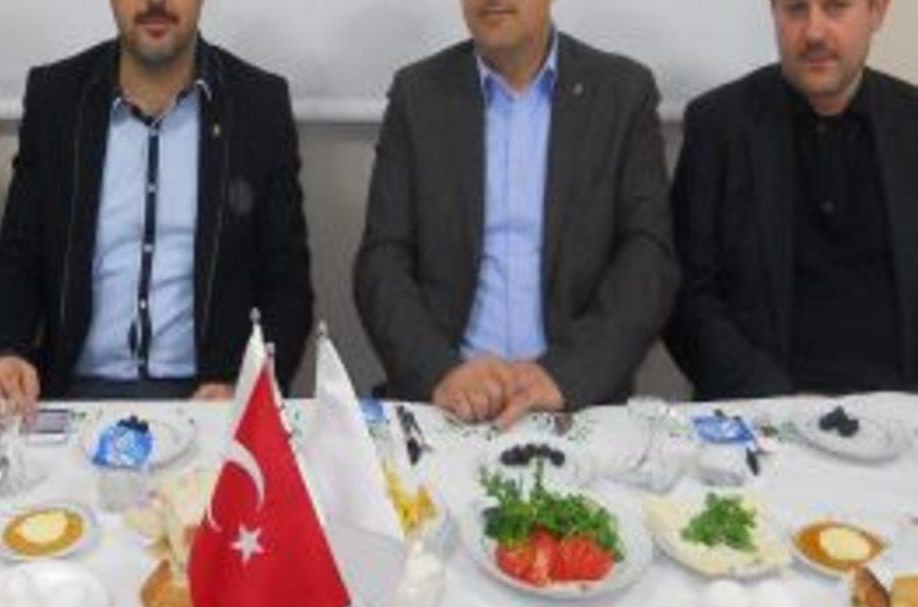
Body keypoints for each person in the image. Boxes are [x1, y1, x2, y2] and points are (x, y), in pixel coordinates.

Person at [0, 0, 313, 420]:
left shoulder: (258, 104)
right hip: (73, 392)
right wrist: (3, 352)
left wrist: (246, 387)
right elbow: (19, 256)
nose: (156, 3)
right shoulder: (57, 97)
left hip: (209, 396)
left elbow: (287, 280)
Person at [354, 0, 678, 427]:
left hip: (576, 401)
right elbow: (382, 260)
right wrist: (440, 372)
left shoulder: (621, 93)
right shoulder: (418, 93)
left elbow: (648, 257)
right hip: (448, 401)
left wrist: (567, 374)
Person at [667, 0, 916, 399]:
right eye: (796, 9)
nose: (814, 32)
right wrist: (774, 398)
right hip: (763, 409)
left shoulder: (910, 122)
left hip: (903, 410)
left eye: (836, 7)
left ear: (877, 12)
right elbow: (685, 299)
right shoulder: (718, 126)